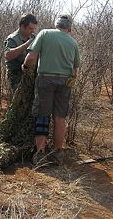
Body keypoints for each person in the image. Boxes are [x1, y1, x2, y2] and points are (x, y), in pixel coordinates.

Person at [22, 14, 80, 165]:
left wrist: (25, 67)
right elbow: (75, 71)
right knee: (60, 118)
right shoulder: (73, 42)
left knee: (42, 115)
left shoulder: (45, 33)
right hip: (65, 82)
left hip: (45, 80)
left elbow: (31, 58)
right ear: (69, 28)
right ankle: (58, 153)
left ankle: (40, 154)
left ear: (56, 25)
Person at [4, 13, 38, 93]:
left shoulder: (33, 37)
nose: (32, 31)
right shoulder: (13, 38)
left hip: (31, 76)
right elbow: (8, 55)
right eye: (30, 28)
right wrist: (27, 44)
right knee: (18, 103)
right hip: (16, 77)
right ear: (22, 26)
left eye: (33, 29)